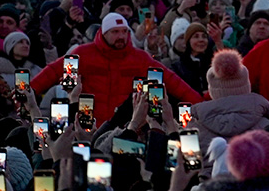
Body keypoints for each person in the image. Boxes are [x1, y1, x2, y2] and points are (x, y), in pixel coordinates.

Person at [30, 12, 201, 126]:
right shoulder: (83, 54)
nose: (120, 36)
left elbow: (174, 82)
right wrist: (26, 93)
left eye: (123, 32)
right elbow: (52, 72)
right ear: (104, 33)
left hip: (126, 128)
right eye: (115, 32)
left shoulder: (140, 58)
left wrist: (201, 105)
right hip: (90, 127)